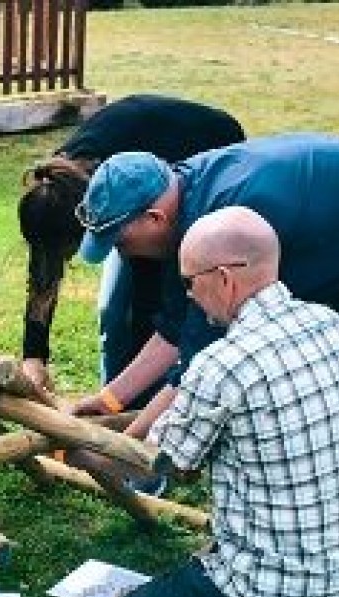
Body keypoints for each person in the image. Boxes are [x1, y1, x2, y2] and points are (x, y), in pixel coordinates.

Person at [84, 207, 339, 597]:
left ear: (224, 279)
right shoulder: (336, 326)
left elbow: (160, 466)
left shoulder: (223, 365)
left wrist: (74, 448)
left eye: (190, 281)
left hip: (274, 586)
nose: (189, 295)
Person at [70, 133, 339, 436]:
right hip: (338, 231)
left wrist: (128, 444)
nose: (123, 254)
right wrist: (111, 399)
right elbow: (176, 325)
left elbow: (197, 366)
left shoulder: (222, 224)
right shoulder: (180, 195)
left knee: (335, 383)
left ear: (154, 218)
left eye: (120, 242)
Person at [16, 94, 244, 394]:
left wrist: (127, 395)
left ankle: (152, 399)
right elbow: (44, 268)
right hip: (140, 197)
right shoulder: (54, 188)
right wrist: (34, 355)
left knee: (162, 313)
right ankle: (112, 399)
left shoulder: (121, 188)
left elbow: (157, 303)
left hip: (205, 154)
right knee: (112, 311)